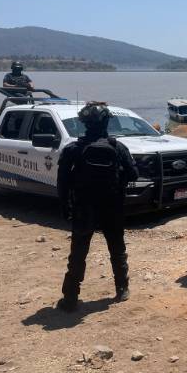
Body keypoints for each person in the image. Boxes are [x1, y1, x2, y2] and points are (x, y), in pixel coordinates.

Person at [56, 102, 139, 312]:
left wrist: (65, 205)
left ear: (84, 123)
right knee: (117, 248)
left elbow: (62, 181)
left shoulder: (73, 149)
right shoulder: (117, 147)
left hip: (84, 207)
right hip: (112, 206)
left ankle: (70, 298)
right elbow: (134, 174)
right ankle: (122, 288)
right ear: (106, 123)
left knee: (78, 253)